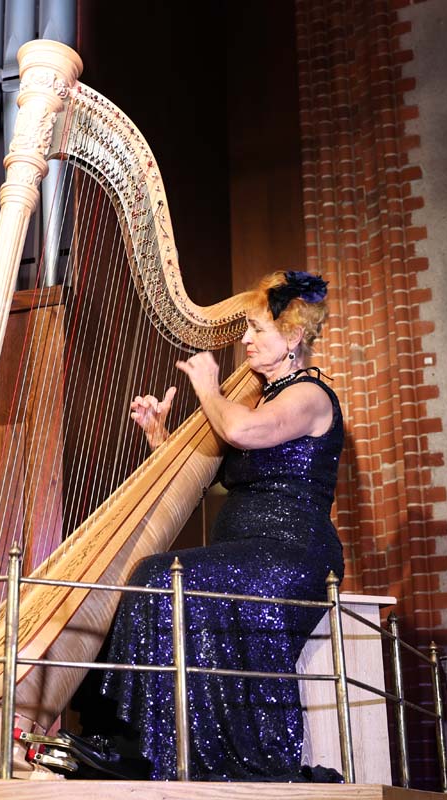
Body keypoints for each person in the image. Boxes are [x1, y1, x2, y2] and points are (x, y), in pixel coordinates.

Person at [86, 269, 346, 782]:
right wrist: (160, 436)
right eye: (246, 329)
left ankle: (132, 742)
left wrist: (206, 385)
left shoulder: (310, 396)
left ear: (293, 337)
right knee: (161, 577)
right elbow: (209, 480)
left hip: (289, 553)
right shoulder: (263, 397)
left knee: (158, 575)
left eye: (258, 331)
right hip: (247, 549)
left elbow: (240, 430)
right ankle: (152, 743)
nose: (245, 340)